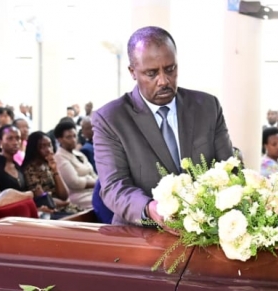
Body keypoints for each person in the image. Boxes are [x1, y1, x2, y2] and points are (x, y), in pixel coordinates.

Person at [93, 26, 233, 227]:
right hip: (141, 237)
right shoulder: (111, 119)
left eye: (170, 69)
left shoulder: (208, 107)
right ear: (133, 72)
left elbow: (229, 168)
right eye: (151, 73)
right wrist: (149, 209)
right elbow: (114, 187)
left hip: (206, 233)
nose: (164, 81)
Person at [22, 131, 71, 217]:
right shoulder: (30, 169)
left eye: (49, 145)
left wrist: (55, 170)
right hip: (49, 211)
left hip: (62, 206)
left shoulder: (47, 164)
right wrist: (64, 203)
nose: (48, 150)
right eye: (42, 146)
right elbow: (44, 200)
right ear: (34, 149)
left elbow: (64, 195)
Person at [54, 121, 96, 209]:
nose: (73, 140)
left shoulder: (79, 154)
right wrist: (96, 182)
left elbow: (93, 174)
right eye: (68, 137)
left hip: (93, 192)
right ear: (59, 139)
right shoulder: (59, 157)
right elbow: (75, 182)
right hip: (79, 197)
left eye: (74, 136)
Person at [0, 125, 27, 193]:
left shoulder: (17, 166)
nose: (15, 142)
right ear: (0, 142)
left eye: (18, 138)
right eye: (10, 138)